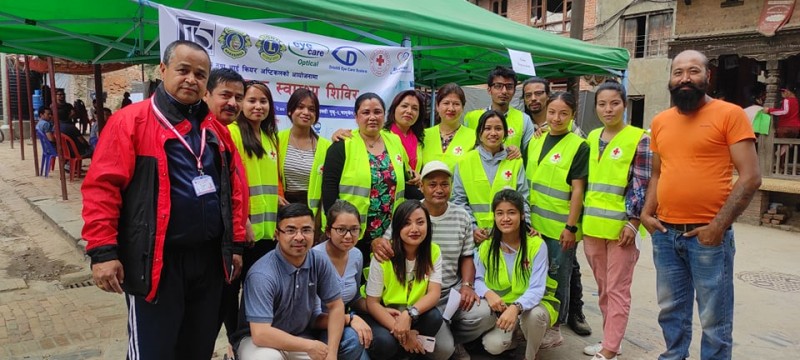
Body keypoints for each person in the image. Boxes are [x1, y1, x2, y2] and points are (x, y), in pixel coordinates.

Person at [81, 40, 246, 359]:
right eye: (183, 70)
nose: (191, 79)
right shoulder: (130, 121)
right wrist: (102, 252)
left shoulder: (215, 130)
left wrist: (235, 245)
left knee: (197, 348)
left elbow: (234, 191)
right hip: (156, 261)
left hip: (209, 261)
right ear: (163, 69)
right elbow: (102, 188)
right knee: (153, 351)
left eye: (200, 74)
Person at [641, 50, 761, 360]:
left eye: (693, 71)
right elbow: (657, 172)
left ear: (707, 77)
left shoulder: (729, 114)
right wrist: (645, 212)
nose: (684, 78)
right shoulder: (660, 121)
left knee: (714, 318)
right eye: (678, 72)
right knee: (670, 312)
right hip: (665, 235)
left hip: (708, 238)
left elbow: (750, 178)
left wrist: (717, 228)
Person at [375, 161, 495, 360]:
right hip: (418, 296)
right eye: (432, 184)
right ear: (421, 186)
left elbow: (467, 255)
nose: (439, 190)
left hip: (450, 294)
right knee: (442, 351)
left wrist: (467, 285)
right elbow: (386, 244)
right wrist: (376, 243)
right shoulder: (410, 212)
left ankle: (453, 339)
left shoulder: (461, 216)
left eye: (444, 184)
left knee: (485, 315)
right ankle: (437, 341)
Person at [238, 203, 367, 360]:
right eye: (291, 230)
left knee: (349, 342)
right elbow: (260, 334)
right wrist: (309, 346)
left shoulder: (318, 261)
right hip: (258, 343)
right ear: (277, 234)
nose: (299, 237)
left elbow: (336, 306)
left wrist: (332, 354)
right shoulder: (262, 273)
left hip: (300, 336)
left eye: (306, 230)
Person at [581, 80, 651, 360]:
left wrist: (634, 222)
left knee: (617, 289)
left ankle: (609, 351)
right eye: (602, 103)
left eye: (614, 103)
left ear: (624, 104)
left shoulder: (639, 138)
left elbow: (643, 184)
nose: (608, 109)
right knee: (603, 288)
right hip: (593, 228)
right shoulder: (591, 136)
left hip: (621, 229)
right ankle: (612, 340)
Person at [522, 78, 592, 337]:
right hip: (533, 225)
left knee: (558, 278)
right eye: (552, 112)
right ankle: (534, 321)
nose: (556, 117)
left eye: (564, 113)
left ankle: (555, 326)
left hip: (560, 227)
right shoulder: (536, 140)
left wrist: (571, 227)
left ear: (573, 115)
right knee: (536, 275)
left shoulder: (578, 145)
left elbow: (577, 190)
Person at [474, 189, 560, 360]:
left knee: (535, 317)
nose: (505, 218)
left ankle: (530, 355)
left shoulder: (536, 245)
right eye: (500, 213)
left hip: (533, 306)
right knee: (493, 346)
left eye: (511, 212)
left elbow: (537, 288)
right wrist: (488, 293)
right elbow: (477, 279)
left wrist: (516, 307)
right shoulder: (487, 247)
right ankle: (515, 335)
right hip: (503, 310)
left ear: (521, 215)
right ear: (494, 216)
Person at [322, 93, 407, 263]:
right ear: (356, 116)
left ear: (384, 115)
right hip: (351, 232)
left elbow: (405, 177)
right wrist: (336, 228)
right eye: (365, 112)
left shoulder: (394, 141)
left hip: (389, 231)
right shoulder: (342, 145)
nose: (372, 117)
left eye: (377, 112)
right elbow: (329, 189)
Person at [364, 200, 444, 360]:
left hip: (411, 312)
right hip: (384, 312)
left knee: (435, 317)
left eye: (420, 222)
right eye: (406, 223)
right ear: (397, 227)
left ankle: (407, 352)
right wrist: (402, 331)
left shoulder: (433, 251)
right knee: (385, 343)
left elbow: (434, 294)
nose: (414, 229)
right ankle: (404, 345)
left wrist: (409, 315)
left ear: (428, 225)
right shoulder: (384, 254)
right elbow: (372, 303)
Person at [228, 80, 283, 277]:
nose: (258, 106)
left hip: (267, 232)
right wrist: (245, 222)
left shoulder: (269, 137)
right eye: (252, 100)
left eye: (264, 101)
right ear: (241, 103)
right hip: (244, 229)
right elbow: (231, 181)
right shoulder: (233, 132)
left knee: (259, 289)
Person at [452, 110, 529, 244]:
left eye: (498, 128)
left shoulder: (515, 162)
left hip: (509, 236)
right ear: (479, 133)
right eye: (487, 128)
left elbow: (523, 198)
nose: (493, 133)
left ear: (505, 133)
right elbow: (459, 201)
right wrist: (473, 228)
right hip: (475, 238)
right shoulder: (465, 161)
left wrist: (526, 226)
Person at [312, 200, 372, 358]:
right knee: (354, 340)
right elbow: (312, 317)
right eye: (341, 230)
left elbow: (354, 298)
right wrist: (350, 318)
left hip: (342, 323)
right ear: (328, 231)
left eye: (354, 230)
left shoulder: (356, 255)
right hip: (316, 329)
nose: (348, 236)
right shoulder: (315, 258)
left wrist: (378, 309)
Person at [278, 88, 332, 210]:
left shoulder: (326, 146)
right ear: (290, 111)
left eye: (311, 109)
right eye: (300, 107)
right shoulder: (276, 140)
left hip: (313, 213)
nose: (306, 112)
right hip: (282, 211)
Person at [463, 66, 534, 154]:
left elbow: (529, 153)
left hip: (510, 167)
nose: (504, 91)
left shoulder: (524, 120)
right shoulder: (471, 118)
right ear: (489, 90)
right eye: (498, 86)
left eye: (509, 87)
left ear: (514, 91)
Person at [420, 83, 477, 172]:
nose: (451, 108)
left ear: (463, 108)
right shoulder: (423, 135)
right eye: (446, 103)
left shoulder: (474, 137)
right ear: (437, 106)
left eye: (456, 104)